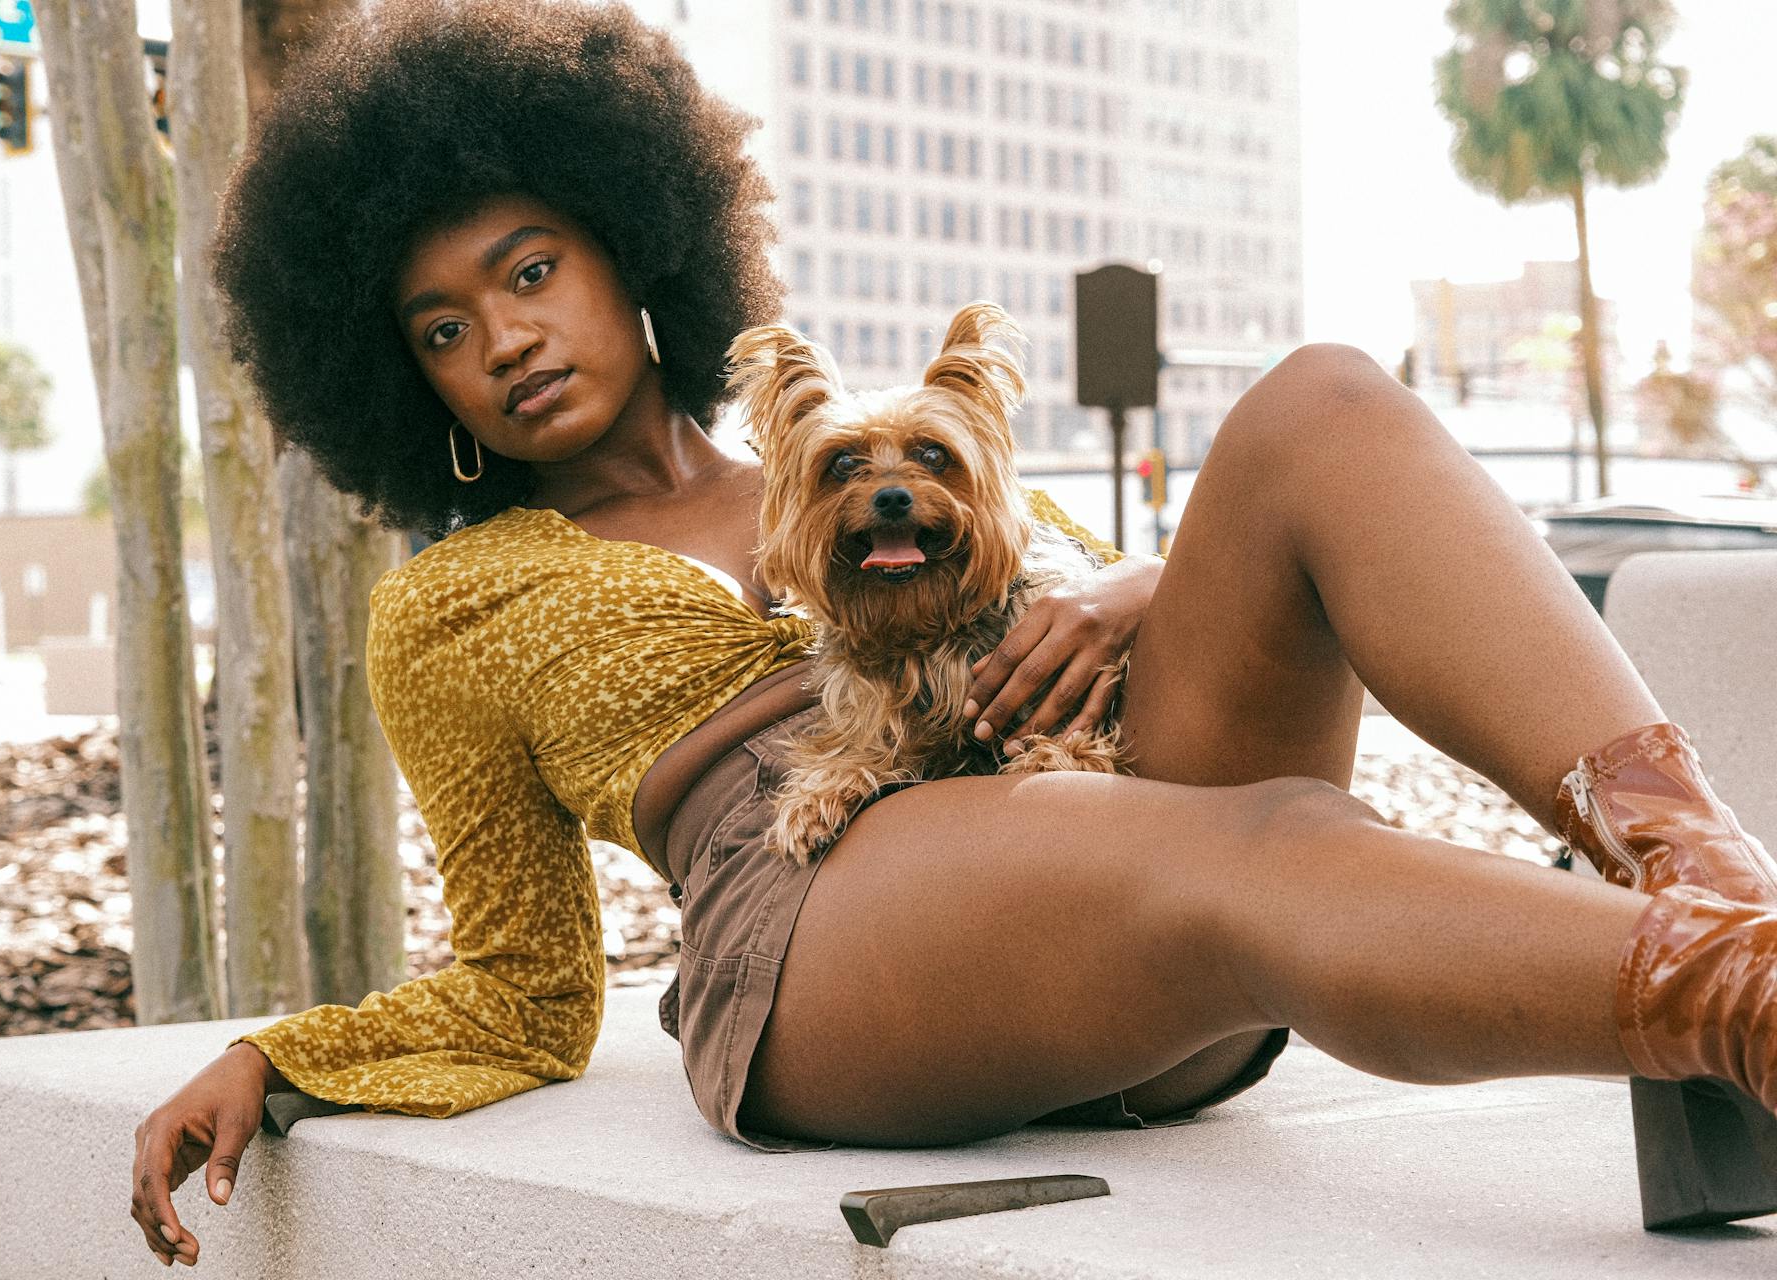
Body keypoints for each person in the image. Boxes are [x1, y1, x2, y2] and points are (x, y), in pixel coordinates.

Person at [128, 1, 1777, 1269]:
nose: (505, 338)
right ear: (411, 387)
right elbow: (523, 985)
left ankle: (1720, 900)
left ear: (630, 256)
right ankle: (1745, 1011)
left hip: (1102, 862)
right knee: (1276, 836)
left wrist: (1135, 586)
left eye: (529, 271)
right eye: (444, 329)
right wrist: (282, 1061)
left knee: (1325, 399)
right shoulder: (452, 605)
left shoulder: (871, 456)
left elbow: (1120, 604)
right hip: (827, 935)